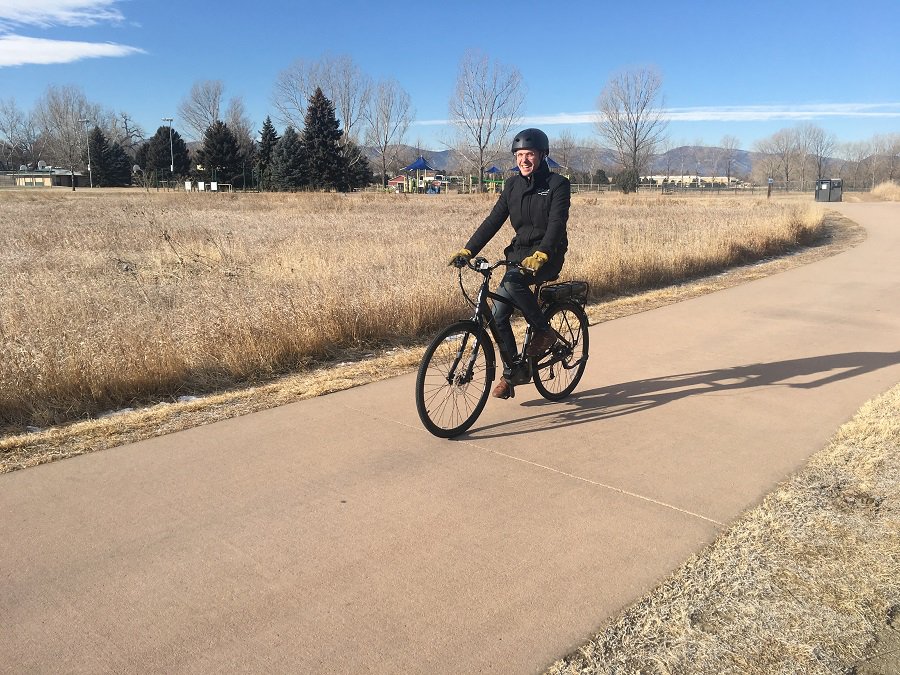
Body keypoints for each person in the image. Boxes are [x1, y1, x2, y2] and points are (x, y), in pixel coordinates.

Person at [448, 128, 570, 399]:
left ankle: (544, 331)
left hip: (548, 256)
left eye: (529, 154)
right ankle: (513, 371)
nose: (524, 160)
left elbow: (556, 224)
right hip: (518, 255)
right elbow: (493, 221)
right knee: (498, 315)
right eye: (519, 155)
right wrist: (468, 250)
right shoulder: (512, 186)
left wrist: (543, 254)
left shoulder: (557, 185)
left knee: (513, 283)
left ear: (542, 155)